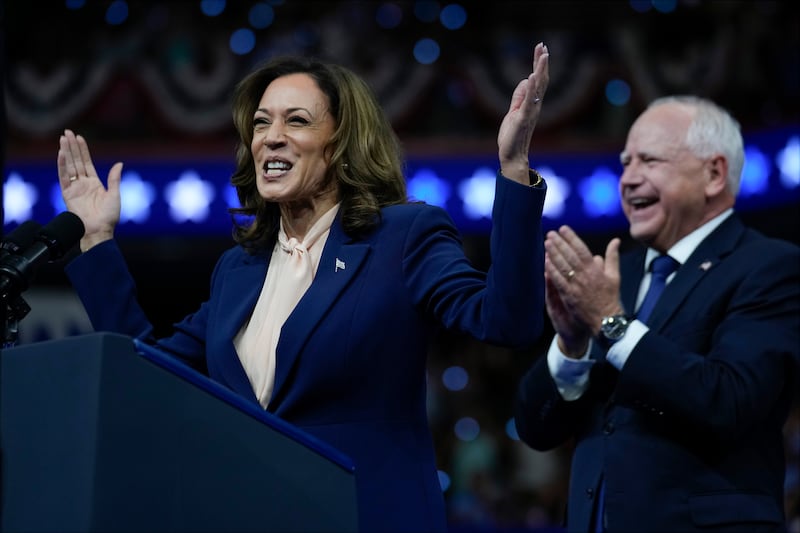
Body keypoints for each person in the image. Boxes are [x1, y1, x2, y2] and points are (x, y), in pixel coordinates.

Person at [56, 44, 550, 533]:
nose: (271, 137)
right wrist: (96, 240)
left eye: (296, 121)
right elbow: (147, 372)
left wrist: (512, 169)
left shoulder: (402, 237)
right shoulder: (238, 269)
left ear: (341, 142)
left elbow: (505, 321)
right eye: (260, 123)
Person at [514, 95, 800, 532]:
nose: (627, 179)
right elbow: (535, 429)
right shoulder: (615, 275)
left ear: (713, 173)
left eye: (649, 161)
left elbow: (728, 401)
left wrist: (611, 324)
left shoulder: (769, 267)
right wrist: (571, 346)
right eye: (625, 163)